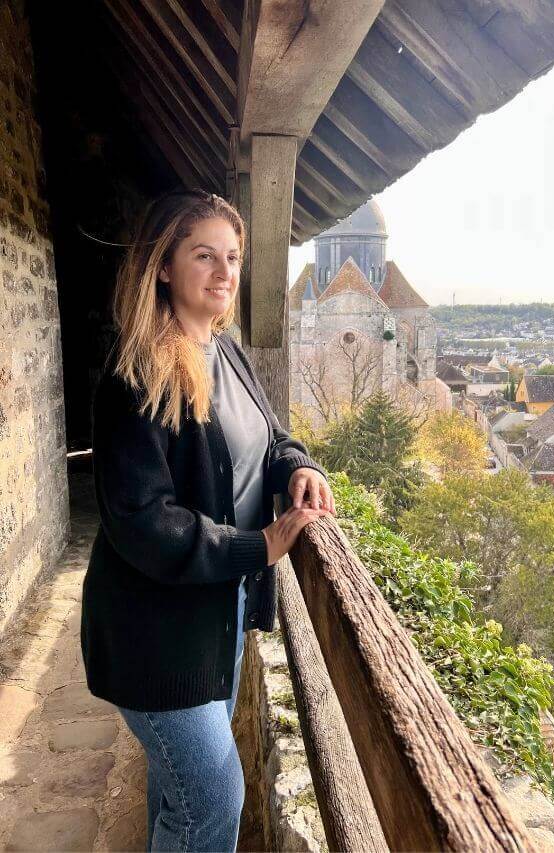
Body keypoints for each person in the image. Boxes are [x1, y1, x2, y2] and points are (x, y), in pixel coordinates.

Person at [80, 188, 335, 852]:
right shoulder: (134, 377)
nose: (226, 273)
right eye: (205, 257)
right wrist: (257, 545)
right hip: (155, 635)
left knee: (179, 797)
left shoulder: (229, 354)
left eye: (233, 257)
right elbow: (142, 518)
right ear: (163, 265)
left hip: (216, 622)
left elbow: (271, 438)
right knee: (213, 800)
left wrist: (298, 466)